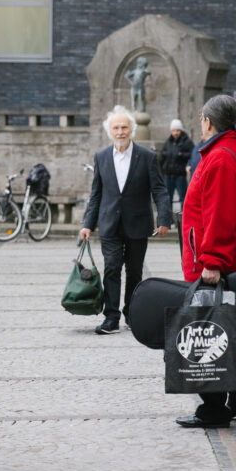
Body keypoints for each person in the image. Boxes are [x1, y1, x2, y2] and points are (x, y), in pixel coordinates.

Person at [174, 94, 236, 428]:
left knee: (204, 331)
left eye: (201, 117)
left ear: (208, 121)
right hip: (224, 259)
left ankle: (214, 408)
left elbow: (220, 215)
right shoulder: (229, 151)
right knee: (216, 329)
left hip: (215, 263)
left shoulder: (222, 157)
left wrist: (211, 261)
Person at [80, 106, 173, 335]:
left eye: (124, 127)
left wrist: (163, 218)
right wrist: (87, 224)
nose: (120, 131)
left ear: (131, 129)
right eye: (116, 128)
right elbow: (96, 193)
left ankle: (131, 313)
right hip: (109, 223)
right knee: (112, 268)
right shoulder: (101, 157)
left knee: (134, 271)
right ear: (109, 131)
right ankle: (111, 317)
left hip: (138, 223)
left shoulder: (148, 157)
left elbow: (159, 190)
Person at [160, 118, 194, 209]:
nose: (175, 133)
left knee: (183, 198)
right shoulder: (168, 142)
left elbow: (192, 154)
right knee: (167, 198)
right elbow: (163, 155)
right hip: (168, 175)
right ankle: (169, 219)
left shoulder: (187, 141)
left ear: (181, 130)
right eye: (173, 130)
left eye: (177, 130)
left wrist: (181, 155)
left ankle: (183, 219)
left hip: (180, 175)